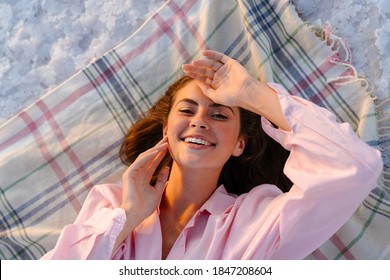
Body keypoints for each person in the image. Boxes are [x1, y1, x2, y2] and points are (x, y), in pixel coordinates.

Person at [41, 50, 382, 260]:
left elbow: (355, 166)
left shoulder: (256, 222)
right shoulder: (110, 205)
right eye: (187, 111)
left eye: (219, 115)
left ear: (239, 144)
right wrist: (128, 216)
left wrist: (252, 93)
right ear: (166, 131)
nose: (200, 122)